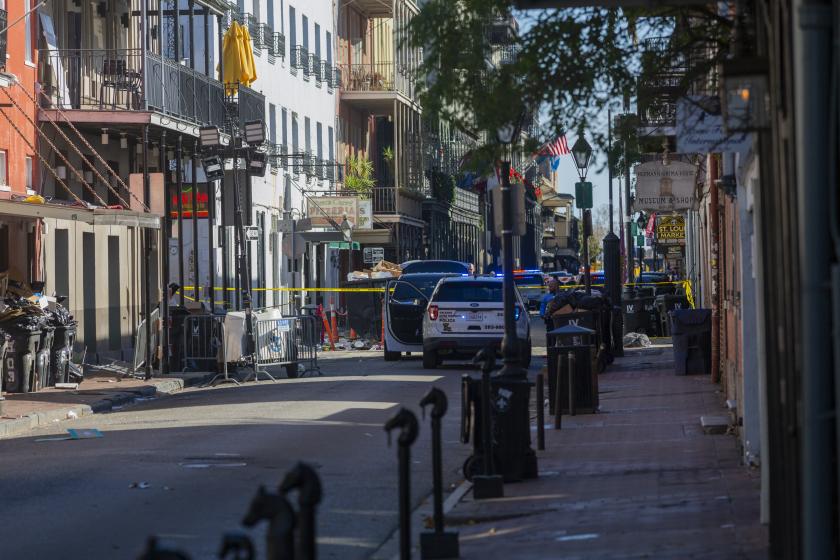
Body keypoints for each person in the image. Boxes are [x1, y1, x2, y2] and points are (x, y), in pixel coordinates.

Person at [540, 278, 559, 346]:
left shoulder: (560, 295)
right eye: (549, 286)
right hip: (550, 319)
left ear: (556, 286)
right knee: (550, 336)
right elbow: (543, 306)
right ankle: (550, 350)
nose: (549, 288)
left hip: (559, 319)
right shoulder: (546, 297)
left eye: (551, 286)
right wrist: (542, 314)